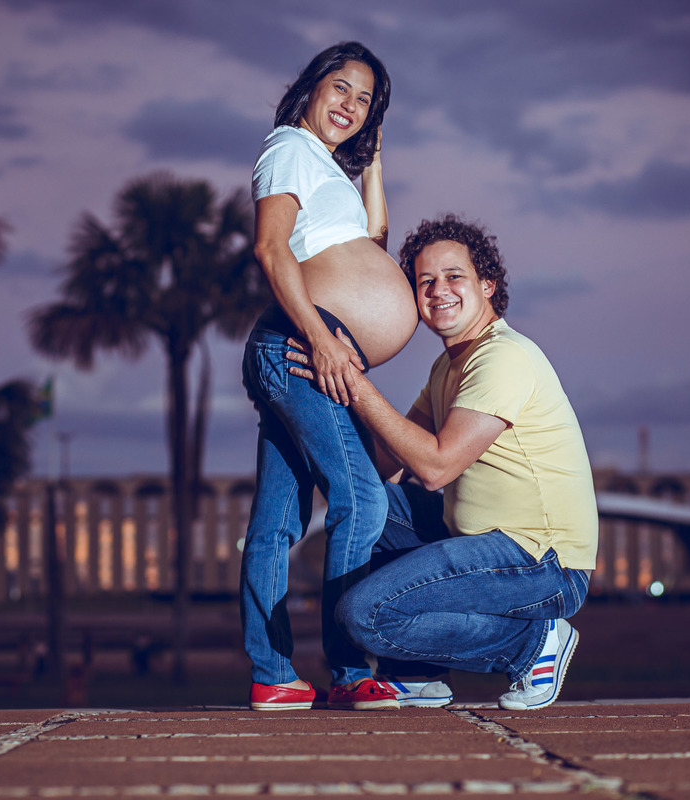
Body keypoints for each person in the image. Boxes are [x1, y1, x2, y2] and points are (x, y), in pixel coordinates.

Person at [287, 214, 598, 710]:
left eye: (455, 276)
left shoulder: (503, 359)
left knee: (365, 614)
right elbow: (383, 468)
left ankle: (534, 645)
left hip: (542, 562)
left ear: (487, 285)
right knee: (371, 503)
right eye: (425, 281)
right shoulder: (447, 367)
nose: (438, 290)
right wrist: (332, 386)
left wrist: (359, 385)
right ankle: (418, 674)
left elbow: (435, 467)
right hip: (478, 543)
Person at [241, 41, 418, 711]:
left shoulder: (326, 169)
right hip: (304, 344)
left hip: (309, 343)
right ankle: (349, 672)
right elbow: (268, 245)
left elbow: (373, 233)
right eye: (340, 87)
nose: (349, 104)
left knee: (278, 522)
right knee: (363, 500)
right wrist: (321, 339)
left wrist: (372, 155)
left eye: (365, 99)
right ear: (312, 86)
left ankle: (272, 674)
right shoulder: (288, 146)